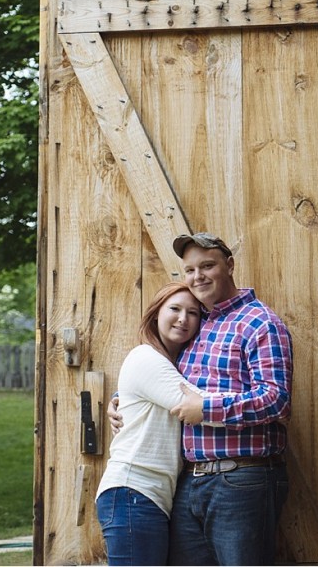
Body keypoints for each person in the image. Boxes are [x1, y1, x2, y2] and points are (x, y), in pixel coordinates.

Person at [109, 232, 293, 566]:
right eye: (190, 270)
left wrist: (206, 408)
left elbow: (275, 398)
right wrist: (123, 397)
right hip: (191, 481)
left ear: (230, 266)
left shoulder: (260, 323)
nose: (198, 276)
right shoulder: (197, 322)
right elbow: (168, 379)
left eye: (207, 265)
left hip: (241, 478)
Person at [95, 282, 205, 565]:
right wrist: (257, 399)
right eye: (175, 309)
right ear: (155, 313)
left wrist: (120, 398)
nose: (183, 318)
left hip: (149, 496)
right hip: (133, 492)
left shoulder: (171, 364)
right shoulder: (146, 358)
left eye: (193, 313)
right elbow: (195, 403)